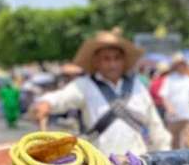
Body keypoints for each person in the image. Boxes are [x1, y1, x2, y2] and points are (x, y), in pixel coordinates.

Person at [32, 30, 170, 155]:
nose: (112, 64)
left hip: (137, 164)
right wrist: (46, 103)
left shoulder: (137, 86)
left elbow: (155, 123)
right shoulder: (85, 85)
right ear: (96, 62)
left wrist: (165, 154)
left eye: (117, 58)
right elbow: (60, 98)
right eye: (106, 59)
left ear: (124, 61)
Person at [161, 55, 189, 149]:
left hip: (188, 116)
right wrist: (169, 108)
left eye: (183, 64)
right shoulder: (169, 79)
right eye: (179, 64)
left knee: (187, 142)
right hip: (173, 117)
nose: (182, 66)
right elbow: (164, 96)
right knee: (173, 143)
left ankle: (188, 163)